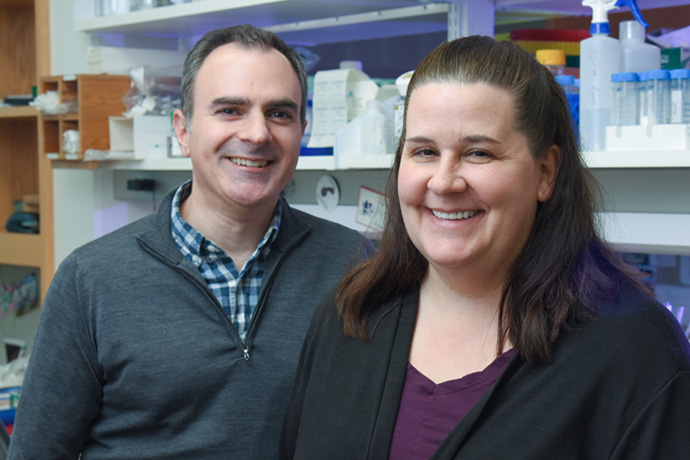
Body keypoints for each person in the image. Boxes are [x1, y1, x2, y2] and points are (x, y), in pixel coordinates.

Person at [280, 35, 690, 459]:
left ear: (546, 173)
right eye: (424, 151)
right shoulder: (349, 316)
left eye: (478, 153)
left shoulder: (634, 353)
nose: (444, 182)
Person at [8, 24, 374, 460]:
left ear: (302, 131)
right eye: (230, 110)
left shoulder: (354, 263)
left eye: (279, 113)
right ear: (183, 131)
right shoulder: (90, 279)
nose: (257, 134)